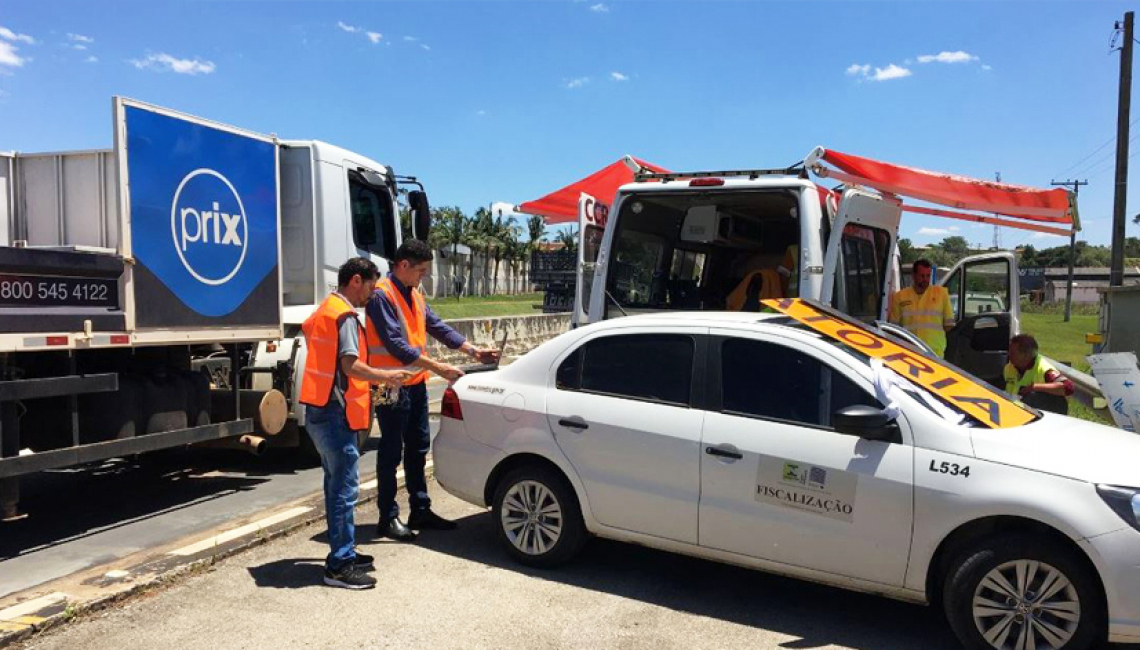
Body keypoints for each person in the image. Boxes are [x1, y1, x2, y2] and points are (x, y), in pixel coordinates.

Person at [366, 240, 500, 541]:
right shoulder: (381, 297)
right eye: (421, 271)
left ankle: (420, 509)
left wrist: (472, 350)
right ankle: (387, 517)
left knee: (417, 449)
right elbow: (396, 347)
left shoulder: (413, 294)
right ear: (403, 266)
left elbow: (436, 325)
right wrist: (439, 368)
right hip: (388, 385)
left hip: (414, 385)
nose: (423, 277)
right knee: (390, 453)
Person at [299, 257, 413, 590]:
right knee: (344, 490)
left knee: (335, 485)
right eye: (371, 287)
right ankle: (339, 565)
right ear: (356, 281)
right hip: (335, 414)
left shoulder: (326, 310)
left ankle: (343, 549)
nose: (372, 295)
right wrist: (386, 376)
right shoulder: (346, 316)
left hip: (320, 408)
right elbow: (350, 366)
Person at [889, 259, 955, 357]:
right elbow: (893, 328)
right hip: (909, 352)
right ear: (914, 275)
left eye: (928, 276)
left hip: (934, 353)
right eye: (922, 276)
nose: (925, 279)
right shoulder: (900, 297)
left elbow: (949, 325)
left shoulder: (941, 294)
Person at [1004, 334, 1074, 414]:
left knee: (1032, 396)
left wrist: (1035, 387)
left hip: (1037, 416)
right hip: (1012, 413)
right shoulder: (1009, 367)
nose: (1009, 355)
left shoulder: (1043, 368)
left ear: (1026, 355)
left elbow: (1068, 387)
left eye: (1013, 353)